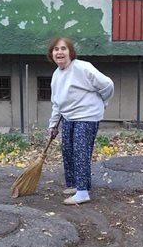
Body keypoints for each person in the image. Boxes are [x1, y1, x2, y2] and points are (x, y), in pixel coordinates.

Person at [46, 37, 114, 205]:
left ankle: (83, 192)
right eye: (56, 49)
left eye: (63, 48)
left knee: (80, 152)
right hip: (69, 117)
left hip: (87, 116)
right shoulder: (56, 75)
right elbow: (57, 103)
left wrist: (102, 103)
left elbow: (107, 85)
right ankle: (76, 185)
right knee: (68, 151)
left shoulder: (82, 68)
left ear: (70, 52)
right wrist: (52, 125)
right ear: (51, 54)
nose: (59, 52)